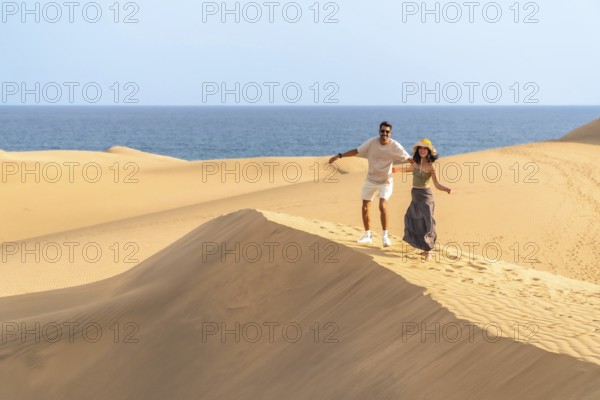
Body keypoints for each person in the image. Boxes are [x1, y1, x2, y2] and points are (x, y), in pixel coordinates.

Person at [328, 121, 412, 247]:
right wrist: (339, 156)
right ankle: (367, 235)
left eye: (387, 131)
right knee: (365, 207)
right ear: (379, 131)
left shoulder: (395, 146)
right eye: (382, 131)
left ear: (390, 133)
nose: (384, 133)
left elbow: (409, 159)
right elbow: (356, 151)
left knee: (382, 206)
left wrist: (423, 163)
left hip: (386, 181)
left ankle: (385, 236)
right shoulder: (372, 142)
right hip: (371, 180)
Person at [395, 138, 451, 260]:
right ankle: (424, 249)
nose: (422, 150)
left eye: (425, 148)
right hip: (415, 195)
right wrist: (395, 170)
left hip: (425, 196)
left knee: (428, 223)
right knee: (411, 219)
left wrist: (446, 189)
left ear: (429, 151)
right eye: (420, 148)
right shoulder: (415, 163)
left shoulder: (430, 167)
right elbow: (407, 169)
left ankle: (429, 251)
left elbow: (436, 184)